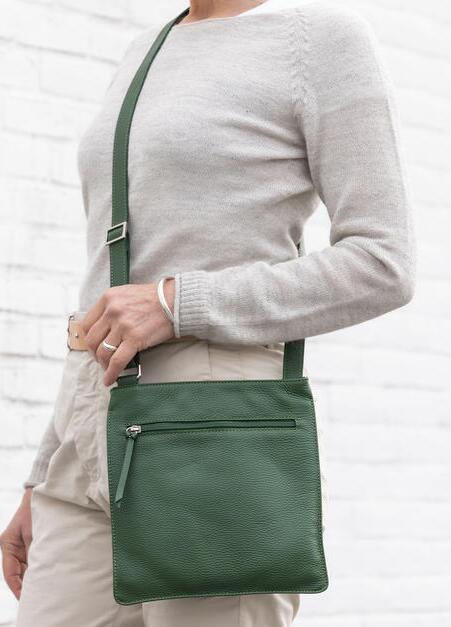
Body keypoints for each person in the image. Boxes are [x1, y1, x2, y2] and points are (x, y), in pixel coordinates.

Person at [0, 0, 416, 625]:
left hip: (212, 418)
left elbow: (382, 262)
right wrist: (46, 470)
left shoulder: (320, 40)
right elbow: (107, 284)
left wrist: (177, 303)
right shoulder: (144, 49)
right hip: (94, 419)